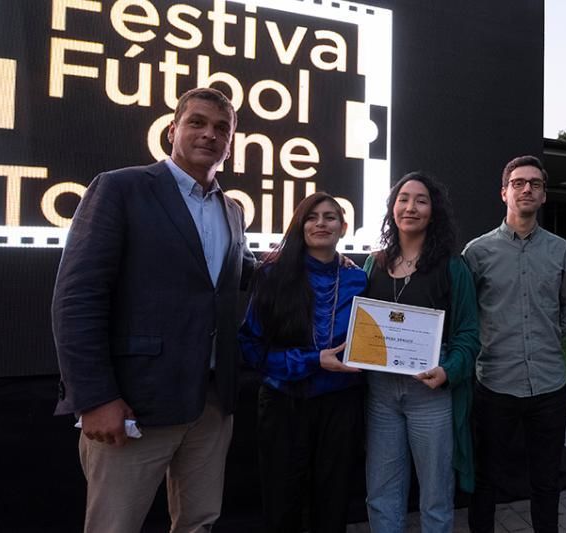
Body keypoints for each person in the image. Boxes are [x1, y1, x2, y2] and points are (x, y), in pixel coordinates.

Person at [51, 87, 255, 532]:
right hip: (135, 402)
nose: (210, 134)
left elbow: (228, 277)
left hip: (212, 402)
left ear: (231, 142)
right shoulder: (120, 188)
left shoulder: (232, 210)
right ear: (172, 130)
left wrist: (312, 258)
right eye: (197, 122)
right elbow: (77, 298)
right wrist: (95, 397)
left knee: (199, 522)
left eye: (222, 128)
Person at [463, 155, 566, 533]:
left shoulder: (561, 250)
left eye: (535, 183)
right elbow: (466, 317)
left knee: (546, 482)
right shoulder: (477, 252)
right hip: (494, 383)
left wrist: (546, 340)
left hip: (549, 385)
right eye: (518, 183)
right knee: (486, 480)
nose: (527, 188)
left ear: (544, 195)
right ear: (504, 193)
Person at [238, 192, 366, 532]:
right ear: (300, 224)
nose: (321, 223)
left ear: (344, 227)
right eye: (312, 217)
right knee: (282, 502)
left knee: (334, 500)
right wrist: (313, 360)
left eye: (330, 217)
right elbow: (251, 346)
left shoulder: (358, 279)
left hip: (341, 404)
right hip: (284, 402)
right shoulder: (272, 274)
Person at [363, 172, 479, 533]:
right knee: (381, 493)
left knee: (435, 497)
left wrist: (448, 371)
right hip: (381, 393)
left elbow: (468, 335)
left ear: (433, 211)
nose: (410, 207)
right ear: (392, 208)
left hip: (430, 394)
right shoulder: (374, 264)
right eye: (403, 199)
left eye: (421, 200)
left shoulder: (453, 267)